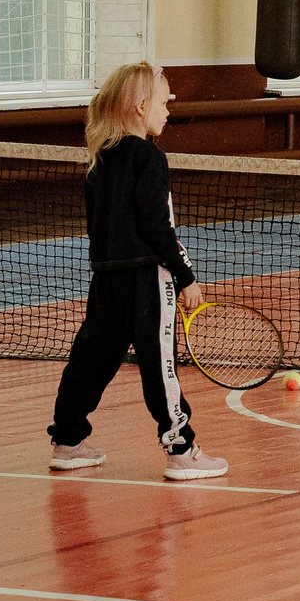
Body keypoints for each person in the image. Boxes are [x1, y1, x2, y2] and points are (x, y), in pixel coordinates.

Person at [48, 63, 228, 480]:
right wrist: (186, 277)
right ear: (140, 106)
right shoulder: (149, 157)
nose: (168, 112)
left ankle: (68, 441)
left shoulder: (100, 160)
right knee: (159, 364)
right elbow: (156, 228)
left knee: (90, 360)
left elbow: (100, 228)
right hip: (148, 280)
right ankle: (181, 449)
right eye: (164, 103)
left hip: (106, 279)